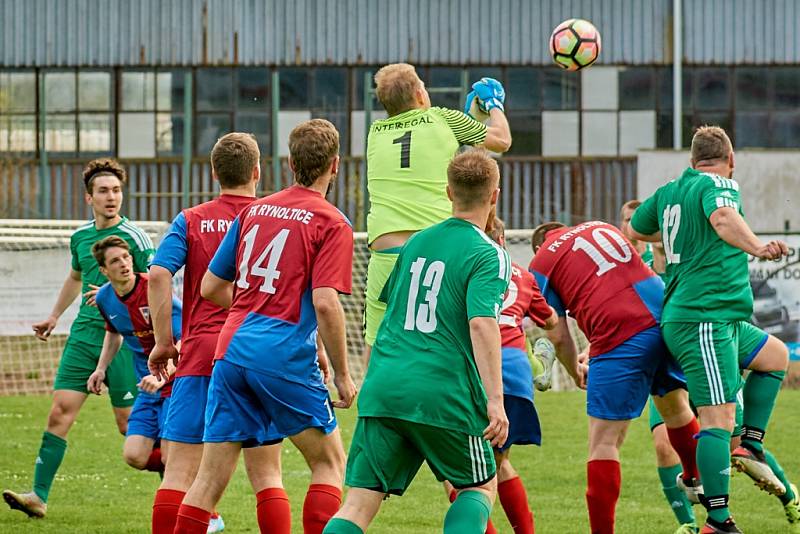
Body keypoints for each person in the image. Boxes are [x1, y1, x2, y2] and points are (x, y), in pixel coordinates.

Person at [165, 119, 357, 534]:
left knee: (208, 482)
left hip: (230, 349)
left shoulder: (255, 209)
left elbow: (211, 286)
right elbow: (325, 304)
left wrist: (254, 305)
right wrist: (342, 374)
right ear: (335, 165)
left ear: (289, 163)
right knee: (329, 463)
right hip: (281, 352)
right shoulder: (332, 221)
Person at [325, 149, 511, 534]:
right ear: (495, 194)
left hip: (385, 385)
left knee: (359, 503)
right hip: (441, 391)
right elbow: (481, 324)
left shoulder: (415, 243)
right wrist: (495, 400)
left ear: (448, 192)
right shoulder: (488, 253)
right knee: (478, 485)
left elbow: (395, 308)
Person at [629, 125, 791, 534]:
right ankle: (718, 520)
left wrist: (679, 234)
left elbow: (637, 229)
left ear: (691, 160)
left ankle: (749, 442)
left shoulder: (670, 191)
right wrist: (757, 247)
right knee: (716, 417)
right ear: (730, 160)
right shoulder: (718, 184)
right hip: (703, 318)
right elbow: (721, 217)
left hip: (718, 318)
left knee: (775, 356)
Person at [3, 159, 155, 518]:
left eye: (116, 190)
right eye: (103, 191)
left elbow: (151, 290)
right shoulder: (79, 237)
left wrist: (111, 293)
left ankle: (177, 476)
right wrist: (55, 316)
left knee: (127, 425)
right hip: (83, 336)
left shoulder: (135, 239)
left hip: (119, 339)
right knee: (59, 413)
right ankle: (38, 497)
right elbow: (74, 278)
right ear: (89, 198)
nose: (111, 197)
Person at [529, 220, 700, 534]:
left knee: (603, 442)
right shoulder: (600, 226)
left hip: (620, 333)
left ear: (539, 246)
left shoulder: (541, 262)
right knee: (675, 408)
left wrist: (575, 370)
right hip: (665, 313)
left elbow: (558, 337)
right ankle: (698, 483)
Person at [147, 133, 270, 534]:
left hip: (200, 353)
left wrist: (164, 341)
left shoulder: (191, 218)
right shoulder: (275, 218)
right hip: (257, 351)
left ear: (214, 173)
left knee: (179, 471)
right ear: (257, 171)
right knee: (267, 477)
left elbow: (159, 275)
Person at [363, 62, 512, 360]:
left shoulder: (375, 132)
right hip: (433, 253)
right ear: (420, 95)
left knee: (376, 346)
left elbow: (423, 153)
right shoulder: (443, 118)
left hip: (384, 253)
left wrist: (472, 119)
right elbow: (501, 140)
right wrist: (493, 106)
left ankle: (373, 402)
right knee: (444, 340)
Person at [621, 199, 697, 534]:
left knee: (734, 444)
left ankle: (787, 495)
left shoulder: (663, 259)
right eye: (625, 220)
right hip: (662, 366)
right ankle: (690, 524)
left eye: (635, 222)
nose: (630, 228)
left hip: (694, 358)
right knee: (663, 446)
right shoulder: (617, 270)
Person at [86, 236, 181, 474]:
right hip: (147, 388)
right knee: (134, 455)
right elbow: (114, 332)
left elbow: (186, 338)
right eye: (115, 261)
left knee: (174, 459)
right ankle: (185, 467)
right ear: (103, 270)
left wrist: (163, 375)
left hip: (177, 384)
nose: (124, 264)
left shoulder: (154, 287)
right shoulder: (104, 298)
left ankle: (206, 508)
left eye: (126, 257)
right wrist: (100, 368)